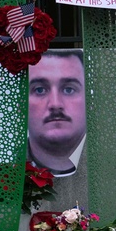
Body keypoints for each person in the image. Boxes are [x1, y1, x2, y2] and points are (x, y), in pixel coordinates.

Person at [27, 49, 86, 177]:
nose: (55, 104)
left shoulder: (108, 161)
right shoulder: (7, 164)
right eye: (40, 90)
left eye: (69, 89)